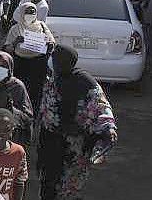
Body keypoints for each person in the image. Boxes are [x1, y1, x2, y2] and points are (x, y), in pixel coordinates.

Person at [38, 45, 117, 200]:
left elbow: (101, 106)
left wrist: (109, 129)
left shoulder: (84, 82)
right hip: (50, 143)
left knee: (68, 189)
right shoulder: (54, 79)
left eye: (54, 58)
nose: (51, 61)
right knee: (48, 184)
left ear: (65, 62)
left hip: (74, 147)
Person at [4, 1, 55, 111]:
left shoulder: (42, 26)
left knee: (36, 93)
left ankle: (34, 115)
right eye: (27, 12)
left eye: (33, 12)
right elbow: (7, 48)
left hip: (38, 64)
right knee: (20, 91)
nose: (30, 15)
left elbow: (52, 43)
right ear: (22, 13)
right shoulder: (15, 29)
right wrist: (15, 42)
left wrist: (49, 44)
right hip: (20, 64)